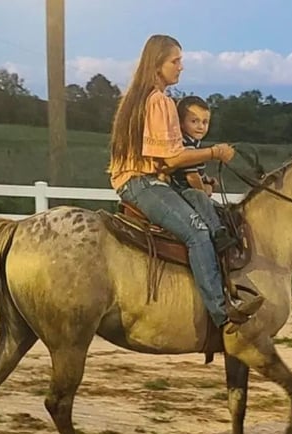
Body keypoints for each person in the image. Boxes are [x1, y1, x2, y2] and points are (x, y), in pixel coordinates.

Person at [108, 34, 263, 332]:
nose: (181, 67)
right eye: (175, 61)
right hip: (143, 183)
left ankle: (221, 257)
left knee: (203, 205)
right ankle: (223, 312)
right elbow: (169, 160)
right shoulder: (159, 102)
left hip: (144, 180)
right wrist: (214, 152)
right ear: (157, 64)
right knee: (196, 232)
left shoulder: (140, 99)